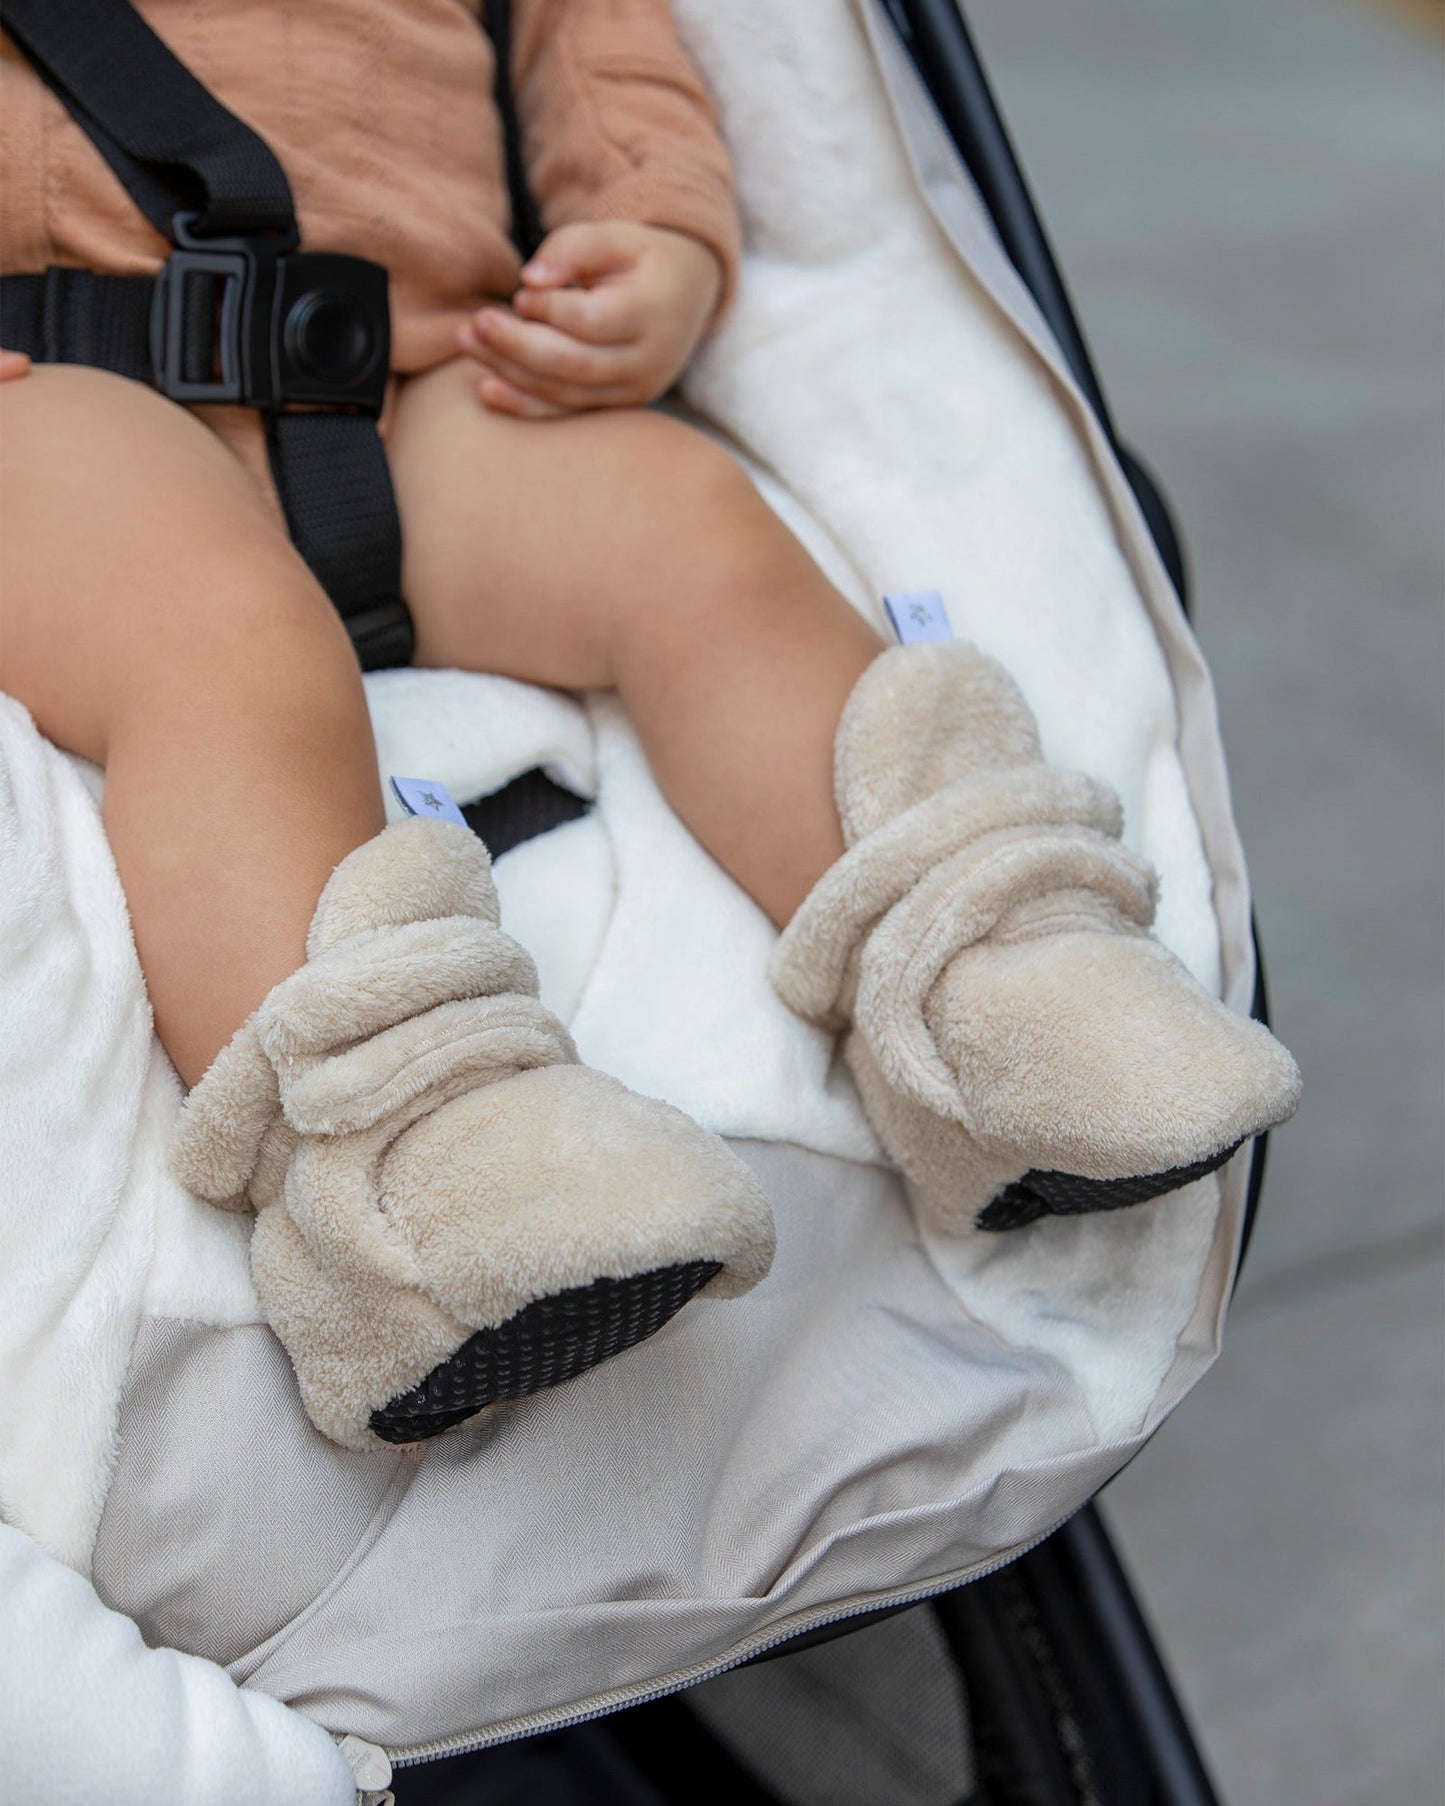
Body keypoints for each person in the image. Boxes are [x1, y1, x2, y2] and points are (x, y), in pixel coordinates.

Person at [0, 0, 1298, 1451]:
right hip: (50, 398)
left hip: (417, 378)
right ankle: (412, 1176)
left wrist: (656, 239)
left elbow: (601, 49)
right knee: (223, 641)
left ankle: (991, 987)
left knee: (691, 534)